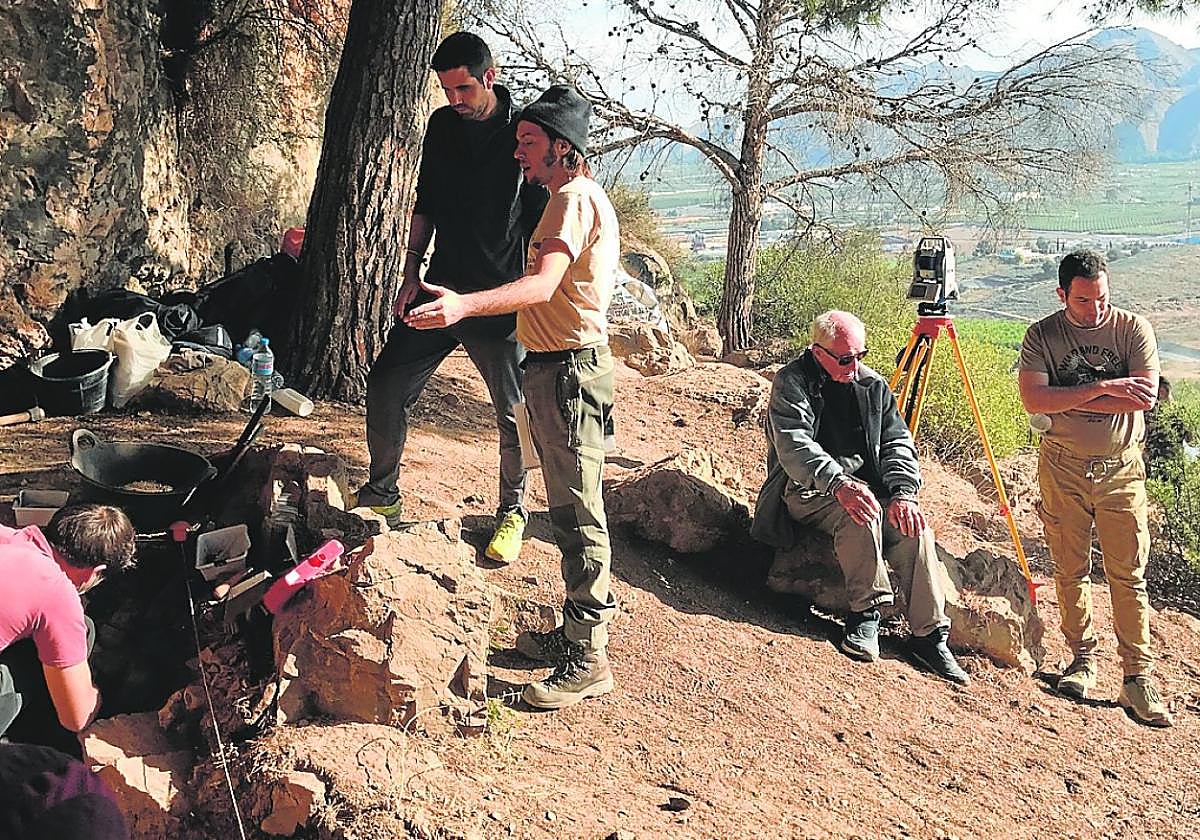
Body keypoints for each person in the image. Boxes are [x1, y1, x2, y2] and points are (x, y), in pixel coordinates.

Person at [405, 85, 619, 710]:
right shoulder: (567, 198)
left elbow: (543, 283)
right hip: (561, 372)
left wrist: (463, 305)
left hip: (570, 374)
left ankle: (589, 657)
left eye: (528, 143)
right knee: (570, 503)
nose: (517, 153)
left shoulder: (570, 202)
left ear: (562, 147)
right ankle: (577, 633)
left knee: (578, 513)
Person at [353, 31, 547, 564]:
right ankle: (382, 495)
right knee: (387, 384)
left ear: (489, 77)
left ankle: (513, 511)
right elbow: (427, 201)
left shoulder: (523, 132)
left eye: (462, 89)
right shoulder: (441, 125)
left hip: (497, 301)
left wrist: (530, 294)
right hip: (438, 287)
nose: (453, 100)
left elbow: (539, 217)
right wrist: (411, 270)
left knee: (513, 414)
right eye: (445, 90)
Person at [750, 311, 970, 685]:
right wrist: (839, 483)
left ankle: (929, 635)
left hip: (866, 489)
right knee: (860, 513)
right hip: (808, 490)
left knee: (914, 528)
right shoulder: (792, 383)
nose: (854, 366)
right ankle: (865, 613)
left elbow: (897, 442)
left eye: (860, 356)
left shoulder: (873, 386)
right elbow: (794, 446)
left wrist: (903, 493)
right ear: (818, 352)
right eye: (845, 358)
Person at [1018, 249, 1171, 727]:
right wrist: (1107, 387)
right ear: (1062, 294)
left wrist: (1073, 396)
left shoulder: (1132, 329)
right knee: (1070, 567)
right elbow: (1033, 398)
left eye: (1101, 298)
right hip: (1062, 466)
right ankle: (1082, 658)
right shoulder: (1042, 335)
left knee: (1128, 574)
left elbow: (1143, 395)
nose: (1095, 309)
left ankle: (1137, 678)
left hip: (1120, 470)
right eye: (1083, 301)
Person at [0, 504, 136, 755]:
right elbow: (76, 718)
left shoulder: (8, 536)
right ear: (97, 572)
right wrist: (94, 693)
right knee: (77, 634)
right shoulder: (55, 590)